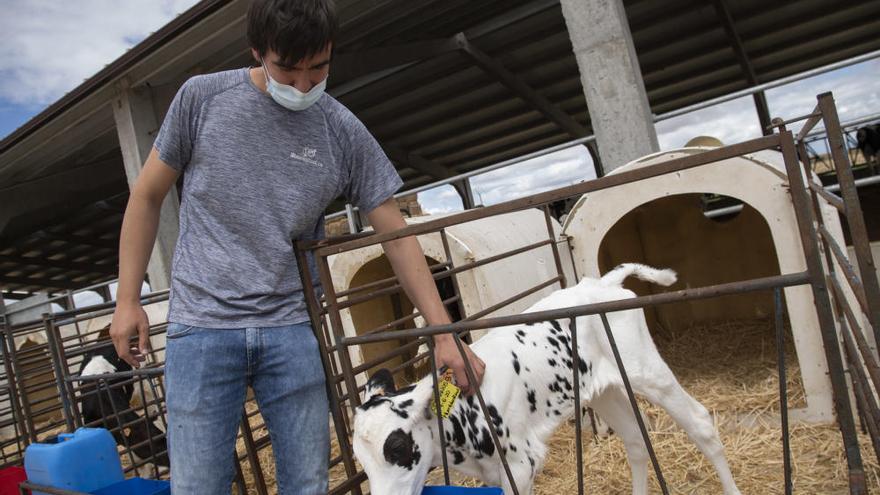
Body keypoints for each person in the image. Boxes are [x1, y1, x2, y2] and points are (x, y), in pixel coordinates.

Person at [108, 0, 485, 492]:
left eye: (319, 68)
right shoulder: (202, 99)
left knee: (307, 483)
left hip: (290, 327)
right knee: (198, 484)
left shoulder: (341, 129)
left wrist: (442, 331)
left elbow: (393, 231)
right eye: (288, 69)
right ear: (258, 51)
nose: (304, 85)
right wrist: (127, 298)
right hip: (201, 326)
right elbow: (147, 193)